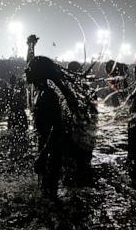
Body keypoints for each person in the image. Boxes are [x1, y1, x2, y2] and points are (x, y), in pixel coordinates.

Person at [26, 56, 97, 198]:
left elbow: (57, 127)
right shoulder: (41, 92)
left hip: (51, 152)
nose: (26, 70)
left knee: (48, 196)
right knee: (45, 194)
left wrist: (43, 155)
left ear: (39, 73)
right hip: (48, 149)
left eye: (29, 68)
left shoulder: (48, 96)